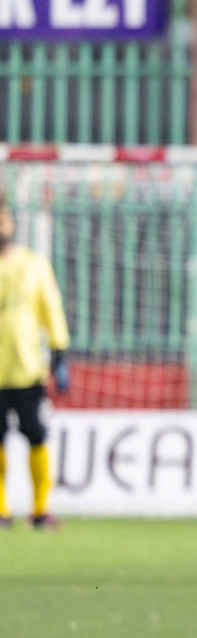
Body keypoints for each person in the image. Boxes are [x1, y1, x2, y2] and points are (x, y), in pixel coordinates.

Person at [0, 192, 70, 530]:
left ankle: (40, 510)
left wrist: (59, 353)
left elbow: (50, 309)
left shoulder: (33, 264)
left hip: (28, 368)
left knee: (36, 435)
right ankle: (1, 510)